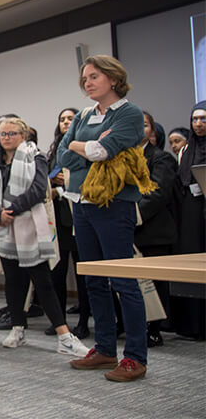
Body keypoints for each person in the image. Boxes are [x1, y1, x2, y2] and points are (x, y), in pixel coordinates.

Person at [58, 55, 150, 382]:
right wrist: (90, 147)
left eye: (94, 76)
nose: (88, 82)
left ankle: (135, 357)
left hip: (113, 204)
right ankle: (106, 348)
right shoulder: (84, 115)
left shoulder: (129, 112)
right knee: (94, 279)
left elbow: (104, 152)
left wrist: (88, 149)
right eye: (85, 78)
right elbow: (63, 154)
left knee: (123, 280)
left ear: (113, 78)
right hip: (80, 203)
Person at [0, 117, 88, 357]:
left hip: (28, 224)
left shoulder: (35, 156)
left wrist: (12, 210)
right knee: (13, 281)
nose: (7, 138)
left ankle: (64, 336)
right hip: (4, 228)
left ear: (23, 135)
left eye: (12, 133)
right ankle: (18, 328)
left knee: (42, 280)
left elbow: (40, 189)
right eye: (2, 134)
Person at [46, 107, 91, 339]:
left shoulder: (86, 143)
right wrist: (52, 178)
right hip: (58, 219)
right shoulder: (54, 149)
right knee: (58, 273)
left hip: (81, 217)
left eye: (70, 119)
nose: (65, 122)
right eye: (62, 119)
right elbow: (45, 176)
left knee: (83, 274)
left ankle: (84, 321)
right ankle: (59, 320)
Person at [134, 111, 178, 347]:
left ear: (151, 129)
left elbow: (158, 193)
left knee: (155, 283)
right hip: (126, 231)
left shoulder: (161, 159)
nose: (139, 129)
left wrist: (131, 215)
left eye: (144, 125)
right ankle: (131, 324)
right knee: (128, 282)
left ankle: (154, 329)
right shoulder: (119, 159)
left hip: (153, 230)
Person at [169, 101, 206, 341]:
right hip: (191, 213)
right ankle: (196, 325)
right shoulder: (186, 149)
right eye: (195, 119)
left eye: (203, 119)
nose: (199, 124)